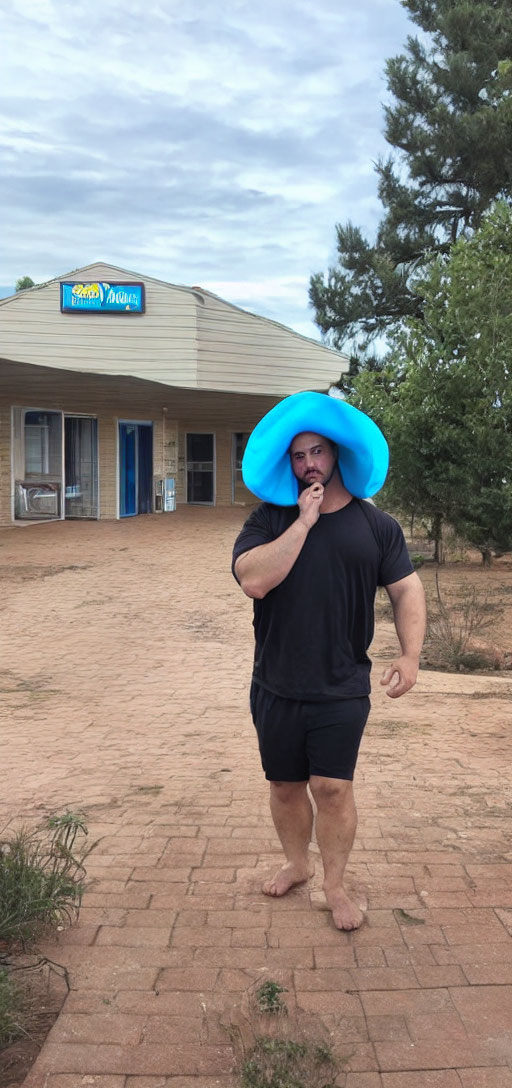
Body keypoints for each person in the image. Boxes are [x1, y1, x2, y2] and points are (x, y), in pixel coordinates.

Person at [232, 395, 426, 931]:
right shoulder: (269, 519)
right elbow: (253, 579)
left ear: (337, 454)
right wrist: (302, 523)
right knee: (285, 787)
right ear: (286, 464)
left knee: (333, 788)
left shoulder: (376, 526)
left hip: (341, 684)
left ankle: (334, 885)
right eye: (298, 457)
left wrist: (411, 656)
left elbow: (407, 591)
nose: (309, 464)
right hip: (275, 683)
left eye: (317, 452)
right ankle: (297, 863)